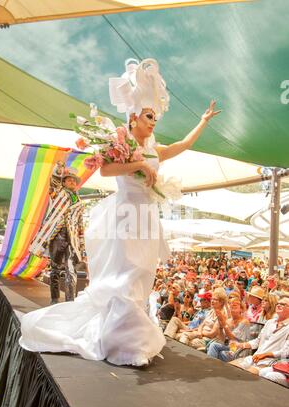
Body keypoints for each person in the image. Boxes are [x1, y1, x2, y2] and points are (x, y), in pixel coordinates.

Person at [19, 58, 220, 367]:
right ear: (134, 117)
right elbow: (107, 171)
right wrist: (138, 164)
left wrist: (204, 121)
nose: (153, 121)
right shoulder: (121, 143)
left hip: (147, 218)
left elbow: (182, 144)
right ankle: (126, 344)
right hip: (125, 216)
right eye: (149, 116)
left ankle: (131, 339)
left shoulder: (155, 149)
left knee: (141, 275)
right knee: (124, 275)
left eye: (155, 117)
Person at [29, 163, 86, 304]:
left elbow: (80, 226)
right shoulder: (58, 193)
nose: (72, 181)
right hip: (57, 236)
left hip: (71, 239)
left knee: (71, 269)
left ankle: (70, 301)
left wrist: (82, 245)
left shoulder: (80, 203)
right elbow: (54, 181)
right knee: (55, 269)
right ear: (64, 182)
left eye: (74, 180)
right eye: (69, 179)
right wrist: (59, 169)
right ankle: (54, 299)